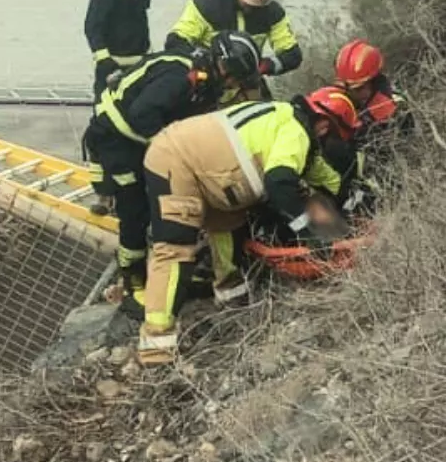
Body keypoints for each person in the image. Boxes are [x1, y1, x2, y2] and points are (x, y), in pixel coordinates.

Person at [134, 87, 359, 365]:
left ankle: (231, 297)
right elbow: (279, 182)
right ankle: (156, 349)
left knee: (228, 226)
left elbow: (329, 182)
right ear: (324, 126)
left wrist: (352, 205)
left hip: (204, 167)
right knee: (175, 249)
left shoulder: (292, 128)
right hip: (176, 160)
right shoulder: (296, 132)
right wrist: (307, 232)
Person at [81, 32, 267, 316]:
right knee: (135, 210)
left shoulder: (207, 82)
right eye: (233, 79)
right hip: (117, 138)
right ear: (224, 67)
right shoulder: (179, 78)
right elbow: (142, 114)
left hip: (144, 136)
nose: (232, 87)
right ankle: (134, 283)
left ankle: (176, 268)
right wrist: (176, 152)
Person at [164, 0, 302, 102]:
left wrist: (264, 66)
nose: (253, 6)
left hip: (249, 84)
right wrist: (205, 62)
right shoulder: (204, 6)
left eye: (260, 0)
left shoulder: (273, 13)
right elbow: (175, 42)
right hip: (209, 84)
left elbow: (292, 54)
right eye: (249, 0)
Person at [332, 37, 412, 217]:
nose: (353, 94)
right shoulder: (352, 101)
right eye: (348, 89)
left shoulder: (394, 111)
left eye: (359, 89)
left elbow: (388, 162)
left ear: (373, 81)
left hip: (383, 182)